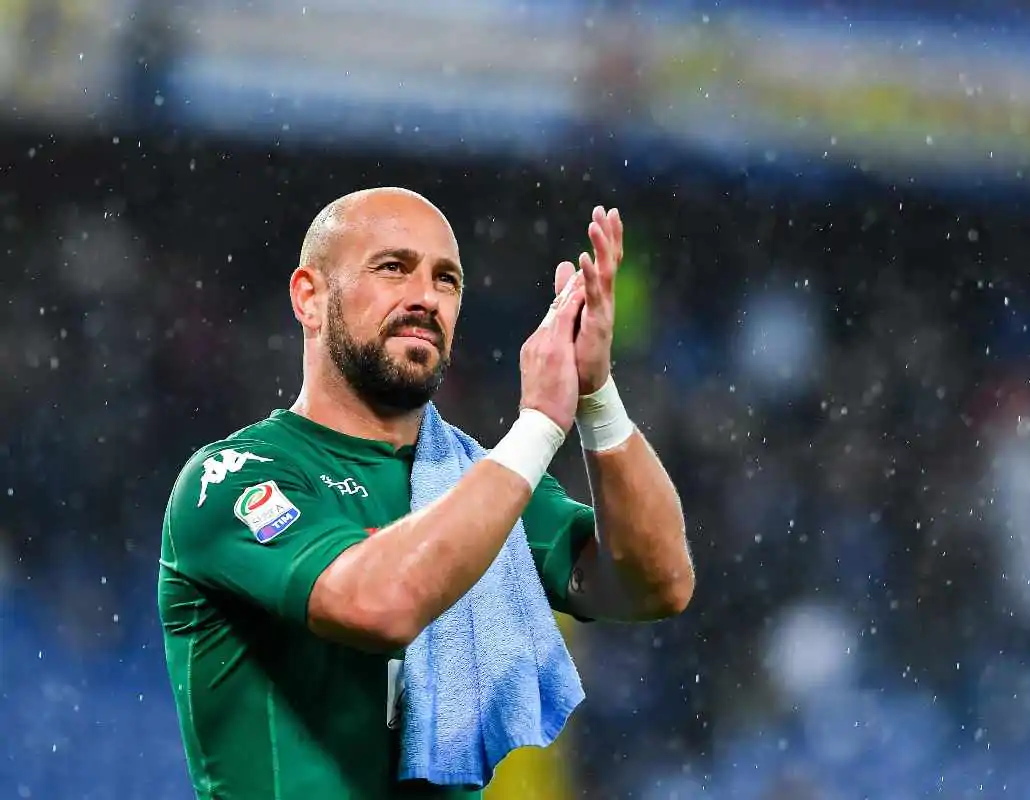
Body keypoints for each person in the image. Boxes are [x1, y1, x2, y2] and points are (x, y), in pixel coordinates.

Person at [158, 187, 694, 799]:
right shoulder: (234, 479)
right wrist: (541, 423)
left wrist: (595, 395)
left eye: (446, 280)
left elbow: (658, 583)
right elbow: (380, 604)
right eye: (393, 268)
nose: (425, 297)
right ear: (310, 297)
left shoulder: (476, 480)